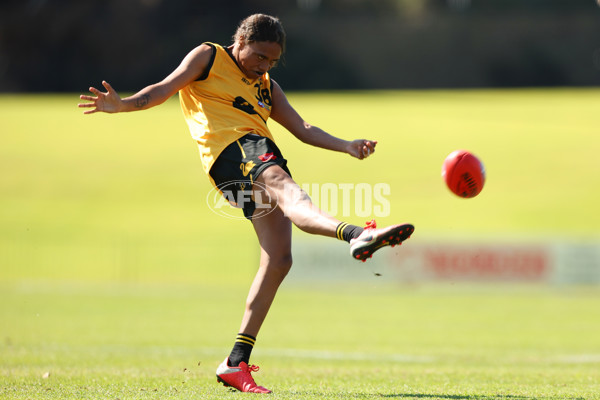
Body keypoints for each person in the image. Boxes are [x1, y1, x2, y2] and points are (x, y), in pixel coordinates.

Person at [79, 13, 414, 394]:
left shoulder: (267, 86)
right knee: (287, 190)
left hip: (251, 157)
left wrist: (346, 145)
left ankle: (235, 363)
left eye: (271, 60)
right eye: (258, 56)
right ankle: (356, 234)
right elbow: (164, 88)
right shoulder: (209, 56)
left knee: (278, 260)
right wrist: (122, 105)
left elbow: (302, 129)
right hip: (236, 150)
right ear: (239, 41)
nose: (263, 66)